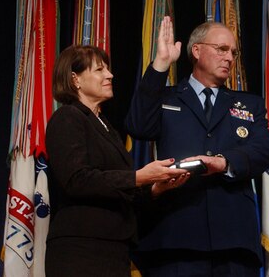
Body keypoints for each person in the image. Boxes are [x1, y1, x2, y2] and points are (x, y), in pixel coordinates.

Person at [125, 17, 269, 277]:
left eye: (233, 52)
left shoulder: (249, 104)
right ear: (196, 50)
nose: (229, 57)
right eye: (222, 49)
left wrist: (223, 162)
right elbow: (138, 126)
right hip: (175, 237)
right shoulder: (167, 97)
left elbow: (262, 150)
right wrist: (161, 64)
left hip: (233, 242)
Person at [45, 45, 189, 277]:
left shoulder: (106, 127)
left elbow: (117, 191)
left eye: (108, 70)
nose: (110, 75)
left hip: (114, 250)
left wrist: (154, 188)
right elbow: (77, 180)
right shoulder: (67, 118)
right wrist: (139, 176)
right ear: (75, 79)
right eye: (100, 70)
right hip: (81, 251)